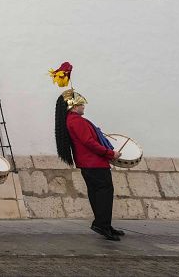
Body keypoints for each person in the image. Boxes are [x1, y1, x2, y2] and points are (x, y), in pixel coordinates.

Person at [51, 62, 123, 241]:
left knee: (98, 194)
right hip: (94, 163)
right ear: (73, 106)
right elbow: (89, 142)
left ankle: (104, 224)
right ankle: (102, 225)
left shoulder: (73, 120)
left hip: (90, 164)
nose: (84, 106)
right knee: (104, 195)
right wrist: (109, 153)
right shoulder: (76, 121)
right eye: (81, 104)